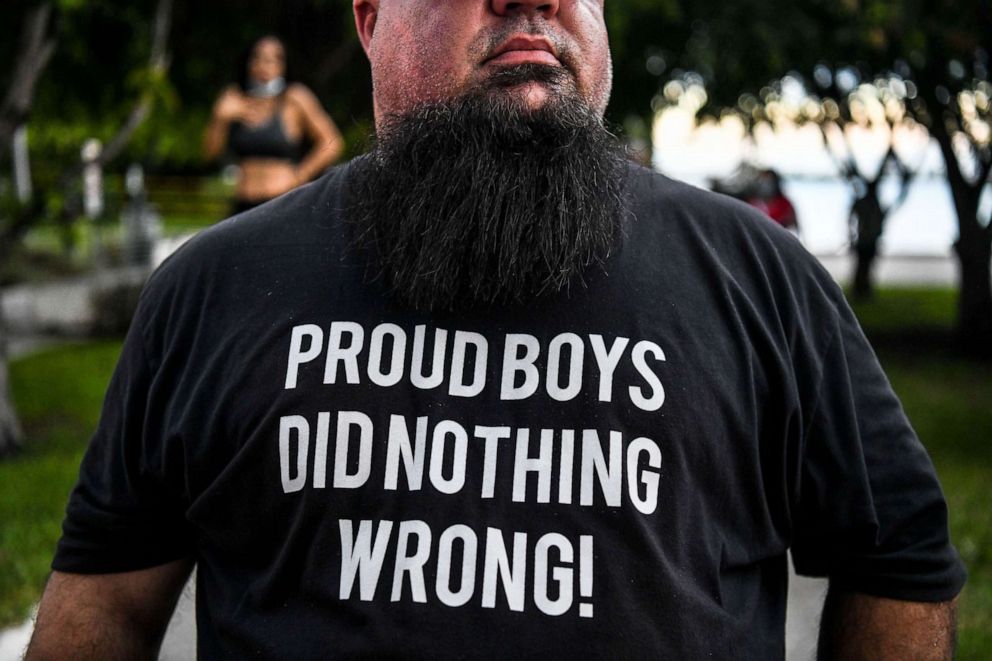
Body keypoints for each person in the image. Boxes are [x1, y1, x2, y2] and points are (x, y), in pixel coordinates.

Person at [28, 1, 965, 659]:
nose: (534, 1)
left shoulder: (759, 279)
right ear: (369, 19)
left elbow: (901, 554)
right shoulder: (212, 289)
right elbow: (105, 604)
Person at [203, 35, 344, 213]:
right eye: (258, 57)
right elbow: (210, 154)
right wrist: (220, 118)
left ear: (283, 64)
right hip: (243, 203)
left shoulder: (294, 98)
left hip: (281, 200)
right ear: (248, 62)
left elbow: (332, 142)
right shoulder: (234, 97)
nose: (265, 65)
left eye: (273, 59)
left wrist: (301, 175)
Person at [746, 169, 799, 235]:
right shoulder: (753, 203)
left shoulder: (785, 204)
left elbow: (794, 228)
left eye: (769, 181)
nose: (765, 185)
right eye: (763, 181)